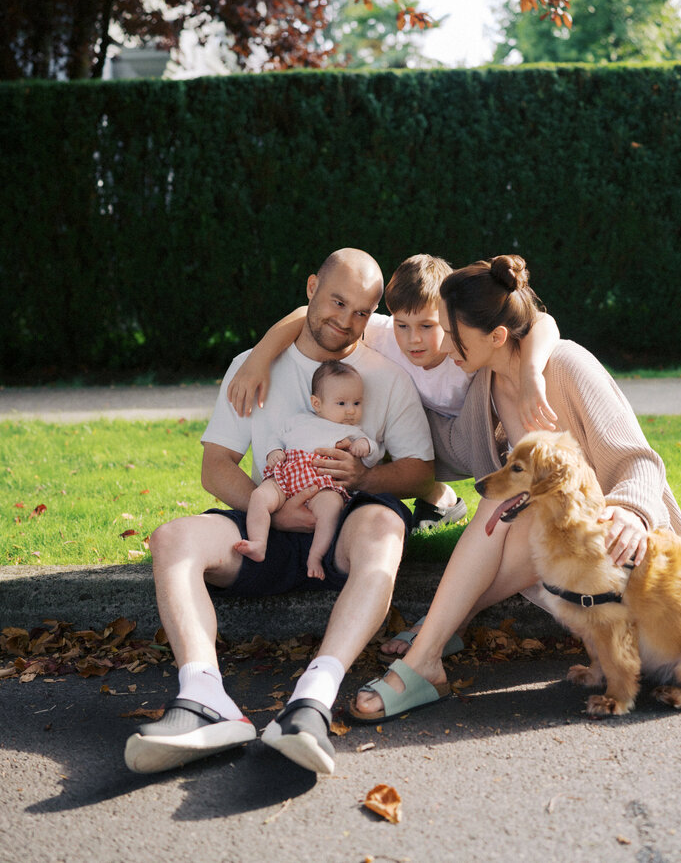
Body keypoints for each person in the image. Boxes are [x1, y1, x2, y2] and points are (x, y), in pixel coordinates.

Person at [124, 249, 435, 776]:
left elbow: (420, 471)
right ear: (311, 287)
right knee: (173, 537)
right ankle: (203, 700)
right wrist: (270, 509)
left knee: (384, 523)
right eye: (337, 301)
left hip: (345, 529)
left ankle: (310, 702)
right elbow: (216, 467)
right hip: (266, 523)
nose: (346, 320)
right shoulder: (253, 367)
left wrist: (364, 479)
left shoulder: (387, 376)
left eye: (362, 311)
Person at [349, 254, 681, 722]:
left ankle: (427, 650)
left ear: (494, 337)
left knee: (514, 509)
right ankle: (432, 644)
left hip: (627, 555)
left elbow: (639, 460)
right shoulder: (485, 387)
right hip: (573, 558)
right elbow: (442, 449)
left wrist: (632, 512)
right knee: (510, 506)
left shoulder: (567, 367)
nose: (442, 344)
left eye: (451, 333)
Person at [227, 253, 561, 534]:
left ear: (446, 318)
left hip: (486, 434)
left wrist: (531, 374)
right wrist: (258, 359)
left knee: (495, 376)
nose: (413, 339)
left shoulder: (462, 340)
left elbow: (539, 322)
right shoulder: (383, 333)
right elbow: (306, 313)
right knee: (372, 419)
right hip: (439, 442)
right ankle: (437, 495)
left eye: (428, 327)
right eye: (403, 325)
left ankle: (530, 499)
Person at [236, 360, 383, 579]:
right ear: (317, 403)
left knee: (331, 508)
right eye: (341, 403)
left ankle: (316, 555)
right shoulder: (298, 421)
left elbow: (373, 450)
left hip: (321, 483)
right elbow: (275, 436)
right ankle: (258, 542)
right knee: (259, 496)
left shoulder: (351, 431)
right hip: (287, 474)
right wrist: (274, 451)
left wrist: (364, 446)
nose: (351, 410)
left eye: (357, 403)